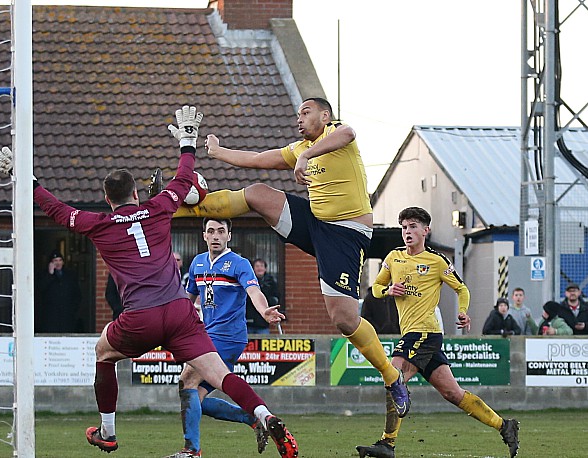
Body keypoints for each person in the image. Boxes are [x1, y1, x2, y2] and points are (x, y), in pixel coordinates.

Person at [0, 106, 298, 458]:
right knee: (218, 376)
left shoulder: (98, 224)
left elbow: (57, 209)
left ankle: (107, 432)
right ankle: (265, 415)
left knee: (103, 354)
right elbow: (184, 180)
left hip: (140, 317)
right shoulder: (159, 207)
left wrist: (23, 176)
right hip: (181, 313)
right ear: (137, 193)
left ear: (109, 200)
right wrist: (187, 142)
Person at [163, 97, 410, 416]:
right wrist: (217, 151)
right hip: (315, 222)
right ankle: (177, 206)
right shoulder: (297, 149)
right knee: (256, 194)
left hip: (346, 232)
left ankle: (392, 377)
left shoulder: (335, 133)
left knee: (344, 319)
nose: (299, 118)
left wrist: (307, 154)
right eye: (298, 114)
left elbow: (348, 133)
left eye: (306, 113)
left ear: (325, 115)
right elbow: (255, 158)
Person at [355, 207, 519, 458]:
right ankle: (504, 425)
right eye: (404, 227)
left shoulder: (437, 261)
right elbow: (375, 288)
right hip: (412, 334)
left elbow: (462, 289)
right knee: (453, 393)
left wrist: (463, 312)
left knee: (393, 376)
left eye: (412, 227)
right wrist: (388, 291)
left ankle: (387, 443)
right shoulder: (393, 257)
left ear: (425, 230)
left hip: (425, 332)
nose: (407, 232)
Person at [167, 218, 285, 458]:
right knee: (194, 398)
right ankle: (252, 418)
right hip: (208, 335)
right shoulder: (197, 263)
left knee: (187, 379)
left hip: (229, 336)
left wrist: (264, 311)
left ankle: (192, 450)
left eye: (221, 231)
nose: (216, 236)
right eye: (211, 231)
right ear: (204, 236)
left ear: (229, 235)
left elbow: (254, 291)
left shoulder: (239, 264)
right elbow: (187, 301)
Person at [36, 250, 82, 333]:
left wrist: (74, 309)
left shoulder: (70, 275)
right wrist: (50, 274)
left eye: (60, 260)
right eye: (55, 261)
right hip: (50, 315)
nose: (58, 263)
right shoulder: (43, 274)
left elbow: (77, 294)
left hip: (67, 314)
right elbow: (40, 289)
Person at [246, 258, 280, 335]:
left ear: (265, 268)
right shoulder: (248, 281)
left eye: (261, 266)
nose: (259, 268)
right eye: (257, 266)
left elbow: (276, 297)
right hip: (249, 320)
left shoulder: (270, 282)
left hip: (263, 322)